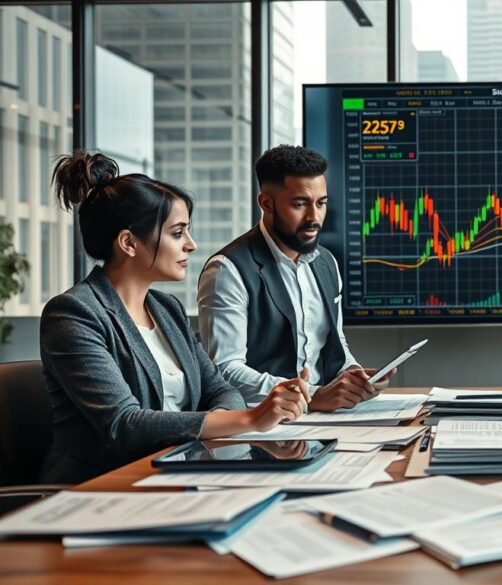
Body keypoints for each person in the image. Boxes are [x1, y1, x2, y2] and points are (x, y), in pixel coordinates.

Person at [40, 152, 310, 484]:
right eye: (178, 233)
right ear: (129, 243)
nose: (191, 245)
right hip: (107, 486)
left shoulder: (167, 309)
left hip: (180, 472)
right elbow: (125, 424)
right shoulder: (74, 313)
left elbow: (220, 390)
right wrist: (250, 419)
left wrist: (235, 421)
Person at [198, 145, 393, 411]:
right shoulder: (226, 270)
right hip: (259, 426)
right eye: (300, 204)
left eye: (321, 203)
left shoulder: (327, 262)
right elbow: (223, 370)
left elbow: (333, 341)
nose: (314, 217)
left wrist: (353, 376)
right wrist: (313, 395)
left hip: (324, 421)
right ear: (266, 203)